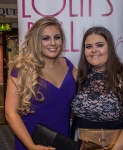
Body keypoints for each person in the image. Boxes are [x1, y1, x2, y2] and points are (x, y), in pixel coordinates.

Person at [5, 16, 77, 150]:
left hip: (62, 140)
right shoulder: (22, 69)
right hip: (30, 141)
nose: (53, 43)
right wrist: (31, 146)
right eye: (46, 38)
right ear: (36, 41)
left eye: (57, 37)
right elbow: (10, 113)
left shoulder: (68, 65)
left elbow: (90, 82)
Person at [70, 26, 123, 150]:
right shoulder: (77, 76)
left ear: (110, 48)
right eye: (88, 47)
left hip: (114, 146)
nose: (94, 50)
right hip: (78, 144)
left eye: (99, 45)